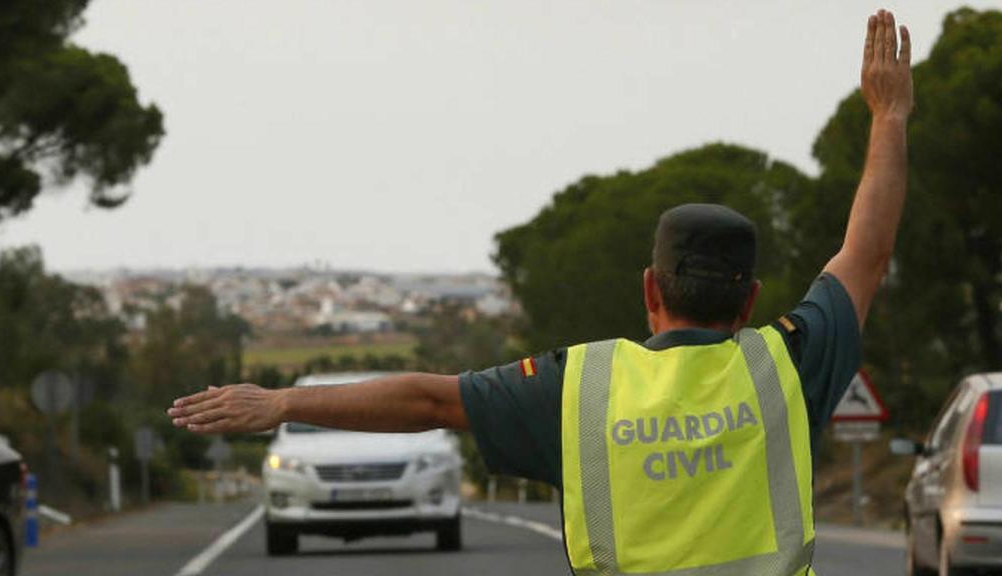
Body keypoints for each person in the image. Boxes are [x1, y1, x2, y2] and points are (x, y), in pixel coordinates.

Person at [169, 10, 912, 576]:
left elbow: (427, 400)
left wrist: (284, 404)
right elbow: (866, 254)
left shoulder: (579, 389)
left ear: (650, 289)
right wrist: (889, 116)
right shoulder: (787, 366)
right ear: (749, 302)